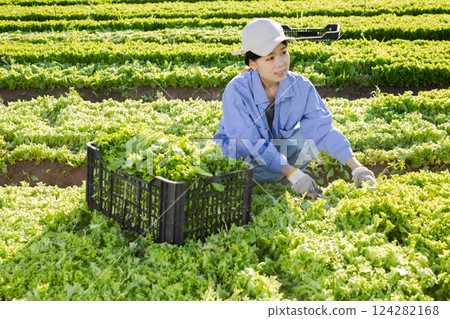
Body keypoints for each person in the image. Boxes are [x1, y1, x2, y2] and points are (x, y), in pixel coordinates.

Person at [213, 18, 376, 199]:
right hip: (241, 158)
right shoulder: (237, 90)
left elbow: (322, 130)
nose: (281, 63)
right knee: (258, 165)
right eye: (270, 58)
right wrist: (293, 173)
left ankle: (282, 177)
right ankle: (283, 177)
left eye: (283, 52)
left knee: (308, 138)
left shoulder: (300, 85)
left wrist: (357, 167)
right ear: (252, 63)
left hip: (273, 154)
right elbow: (250, 144)